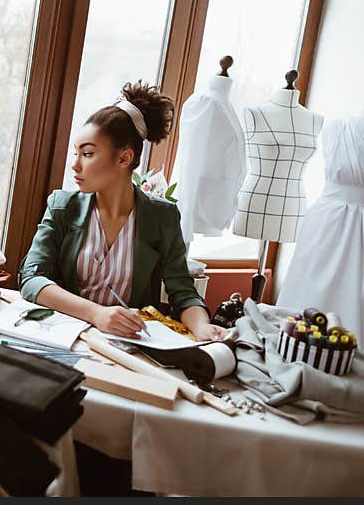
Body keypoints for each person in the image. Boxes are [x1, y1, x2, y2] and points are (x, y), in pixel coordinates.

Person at [18, 81, 227, 341]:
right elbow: (31, 279)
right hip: (65, 337)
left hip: (129, 344)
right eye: (76, 153)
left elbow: (182, 291)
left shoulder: (162, 217)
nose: (75, 165)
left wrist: (202, 327)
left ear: (124, 158)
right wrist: (96, 314)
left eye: (88, 153)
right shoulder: (63, 207)